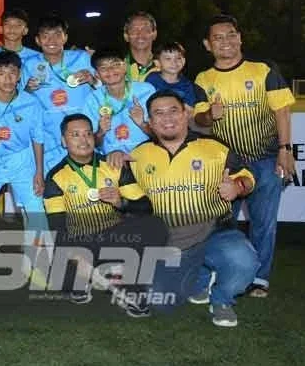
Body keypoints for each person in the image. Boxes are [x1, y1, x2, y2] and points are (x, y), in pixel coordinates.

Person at [110, 90, 258, 326]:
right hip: (171, 242)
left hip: (214, 232)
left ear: (185, 114)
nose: (167, 118)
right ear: (149, 120)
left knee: (243, 259)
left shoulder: (214, 147)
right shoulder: (138, 156)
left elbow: (248, 177)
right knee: (161, 303)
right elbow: (134, 204)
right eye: (158, 113)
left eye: (173, 110)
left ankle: (221, 300)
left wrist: (237, 187)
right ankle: (201, 278)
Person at [193, 14, 295, 298]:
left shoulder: (263, 70)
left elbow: (282, 112)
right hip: (226, 165)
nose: (225, 41)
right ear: (207, 44)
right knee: (221, 223)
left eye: (230, 35)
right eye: (218, 37)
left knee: (263, 222)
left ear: (240, 38)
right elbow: (199, 122)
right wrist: (207, 115)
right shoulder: (203, 79)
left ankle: (259, 279)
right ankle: (219, 272)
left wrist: (285, 150)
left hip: (265, 158)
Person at [43, 113, 166, 314]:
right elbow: (57, 227)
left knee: (155, 225)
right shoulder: (56, 177)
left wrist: (121, 202)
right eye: (75, 134)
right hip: (80, 242)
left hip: (114, 236)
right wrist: (76, 257)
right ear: (64, 141)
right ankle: (99, 272)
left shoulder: (112, 165)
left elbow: (145, 207)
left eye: (88, 133)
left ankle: (126, 283)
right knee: (62, 279)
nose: (83, 140)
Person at [0, 51, 46, 235]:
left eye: (12, 72)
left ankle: (40, 261)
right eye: (1, 73)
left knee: (36, 210)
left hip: (21, 161)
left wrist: (39, 172)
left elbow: (38, 139)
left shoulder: (31, 103)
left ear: (19, 75)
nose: (7, 78)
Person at [21, 14, 96, 173]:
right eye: (46, 36)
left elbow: (103, 87)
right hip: (48, 136)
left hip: (81, 133)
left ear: (65, 37)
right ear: (38, 40)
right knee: (53, 183)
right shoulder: (29, 64)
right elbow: (21, 99)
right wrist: (28, 89)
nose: (52, 41)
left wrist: (92, 80)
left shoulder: (82, 58)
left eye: (57, 35)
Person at [83, 48, 156, 155]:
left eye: (115, 65)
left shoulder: (146, 90)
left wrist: (142, 124)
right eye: (103, 68)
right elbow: (91, 143)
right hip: (111, 162)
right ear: (97, 74)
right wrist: (100, 132)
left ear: (125, 67)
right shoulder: (93, 99)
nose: (110, 71)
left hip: (145, 157)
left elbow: (162, 135)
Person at [145, 42, 198, 113]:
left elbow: (190, 110)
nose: (174, 62)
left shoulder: (187, 84)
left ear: (183, 61)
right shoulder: (152, 79)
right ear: (157, 63)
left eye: (178, 58)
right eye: (168, 59)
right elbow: (145, 102)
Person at [123, 12, 159, 83]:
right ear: (126, 36)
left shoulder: (166, 67)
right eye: (134, 30)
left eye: (145, 30)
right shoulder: (117, 69)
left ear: (154, 34)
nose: (140, 34)